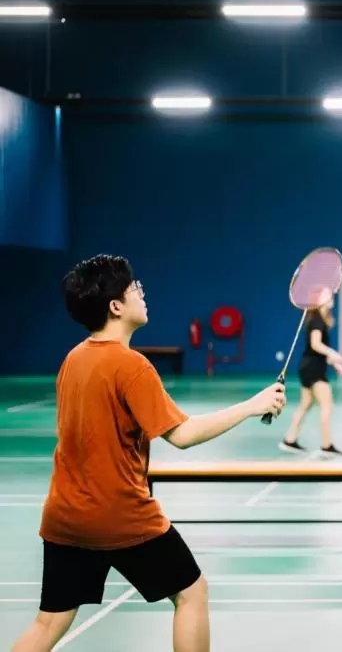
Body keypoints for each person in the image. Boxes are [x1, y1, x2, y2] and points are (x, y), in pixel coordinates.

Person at [10, 254, 286, 652]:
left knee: (49, 622)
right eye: (133, 286)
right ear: (115, 306)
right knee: (192, 592)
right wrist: (251, 406)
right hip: (119, 514)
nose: (141, 290)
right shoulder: (131, 366)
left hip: (65, 515)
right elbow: (183, 434)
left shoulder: (73, 359)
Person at [279, 292, 342, 456]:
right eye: (326, 296)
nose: (331, 298)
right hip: (313, 369)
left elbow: (316, 351)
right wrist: (333, 354)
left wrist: (335, 363)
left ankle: (289, 440)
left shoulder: (320, 319)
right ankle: (326, 445)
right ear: (318, 300)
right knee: (327, 405)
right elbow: (315, 345)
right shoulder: (316, 319)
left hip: (309, 366)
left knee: (306, 404)